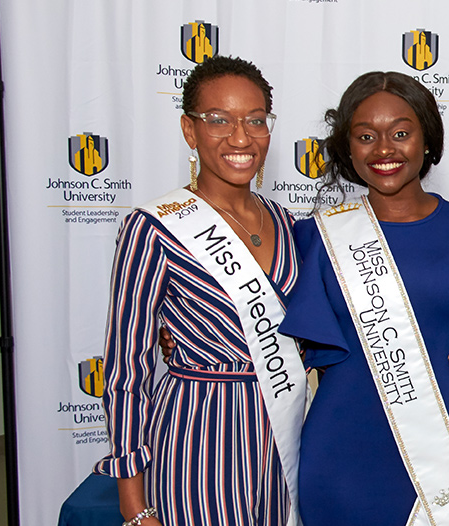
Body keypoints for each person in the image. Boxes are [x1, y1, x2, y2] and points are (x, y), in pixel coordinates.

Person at [95, 56, 307, 526]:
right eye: (219, 121)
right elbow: (126, 368)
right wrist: (133, 503)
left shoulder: (291, 225)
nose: (240, 137)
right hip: (198, 436)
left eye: (255, 120)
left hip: (283, 435)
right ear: (190, 132)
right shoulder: (152, 228)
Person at [277, 71, 449, 525]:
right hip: (339, 458)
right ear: (348, 148)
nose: (383, 150)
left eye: (400, 133)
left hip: (430, 458)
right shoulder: (316, 236)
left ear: (427, 140)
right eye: (365, 136)